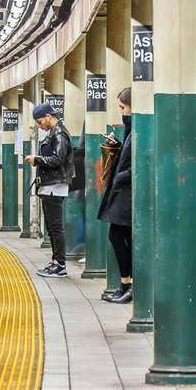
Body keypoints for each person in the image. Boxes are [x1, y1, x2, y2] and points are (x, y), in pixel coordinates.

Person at [25, 103, 74, 278]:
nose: (40, 125)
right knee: (52, 226)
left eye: (40, 122)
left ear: (48, 116)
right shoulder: (54, 133)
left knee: (55, 227)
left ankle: (60, 264)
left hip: (55, 185)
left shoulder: (59, 134)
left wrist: (36, 159)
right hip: (50, 184)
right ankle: (56, 262)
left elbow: (57, 159)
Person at [98, 87, 132, 303]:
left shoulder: (139, 129)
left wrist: (119, 178)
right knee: (121, 236)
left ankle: (128, 284)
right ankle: (125, 284)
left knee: (119, 236)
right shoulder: (131, 131)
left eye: (122, 107)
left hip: (128, 195)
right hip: (123, 192)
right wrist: (117, 146)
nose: (121, 113)